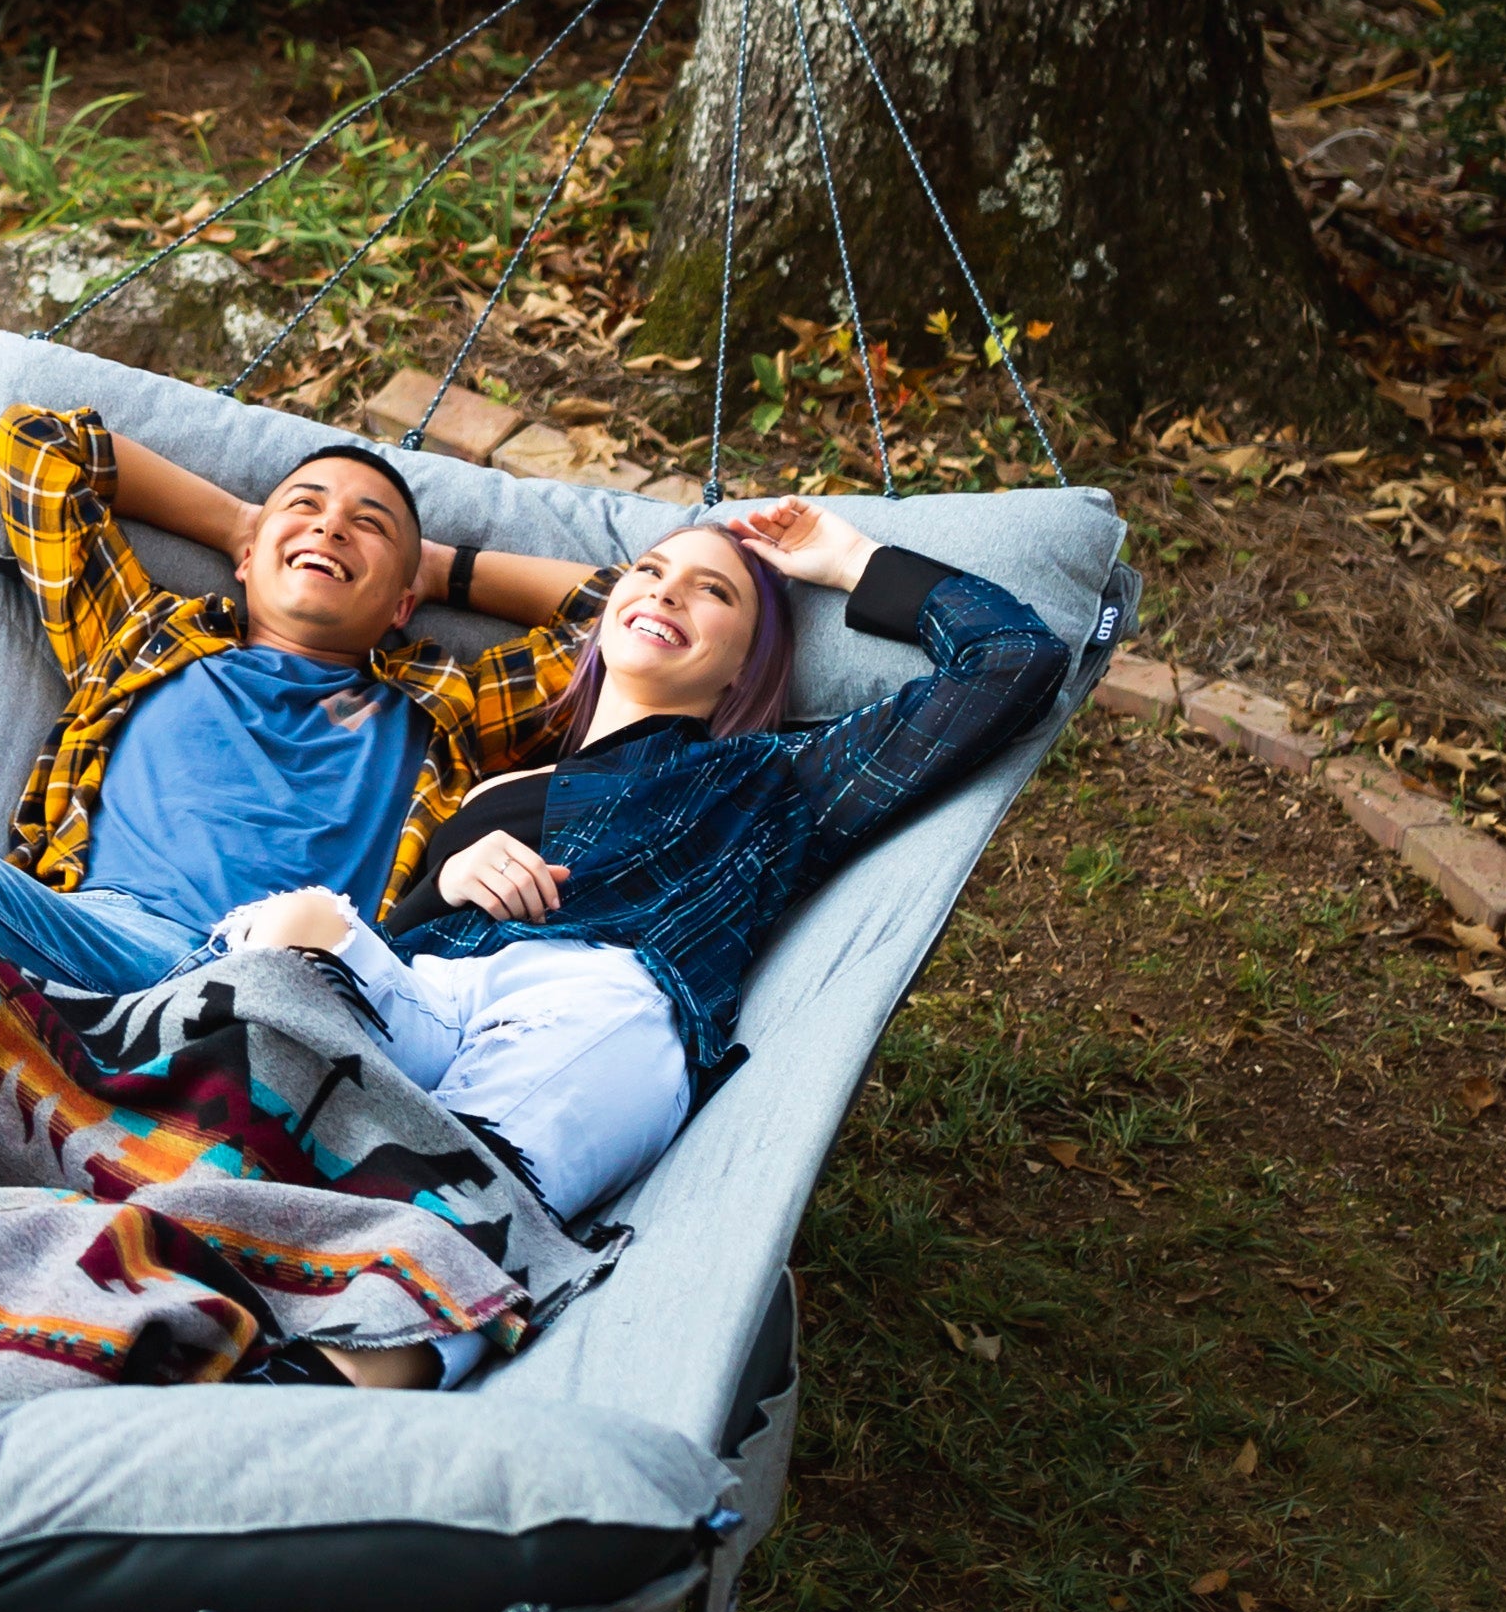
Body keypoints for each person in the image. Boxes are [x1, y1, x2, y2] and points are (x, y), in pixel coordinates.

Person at [223, 497, 1074, 1385]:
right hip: (437, 994)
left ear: (748, 662)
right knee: (292, 927)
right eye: (650, 573)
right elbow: (395, 945)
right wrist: (449, 878)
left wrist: (847, 557)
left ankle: (324, 1381)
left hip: (599, 1010)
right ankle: (200, 1188)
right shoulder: (488, 787)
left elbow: (1011, 659)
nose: (667, 595)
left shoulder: (772, 781)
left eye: (711, 593)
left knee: (453, 1207)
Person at [0, 403, 619, 991]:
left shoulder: (445, 709)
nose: (330, 528)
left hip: (276, 984)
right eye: (306, 507)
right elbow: (39, 446)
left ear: (403, 605)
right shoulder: (139, 635)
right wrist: (235, 522)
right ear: (248, 559)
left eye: (369, 526)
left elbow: (625, 617)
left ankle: (18, 1077)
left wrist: (440, 569)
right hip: (99, 944)